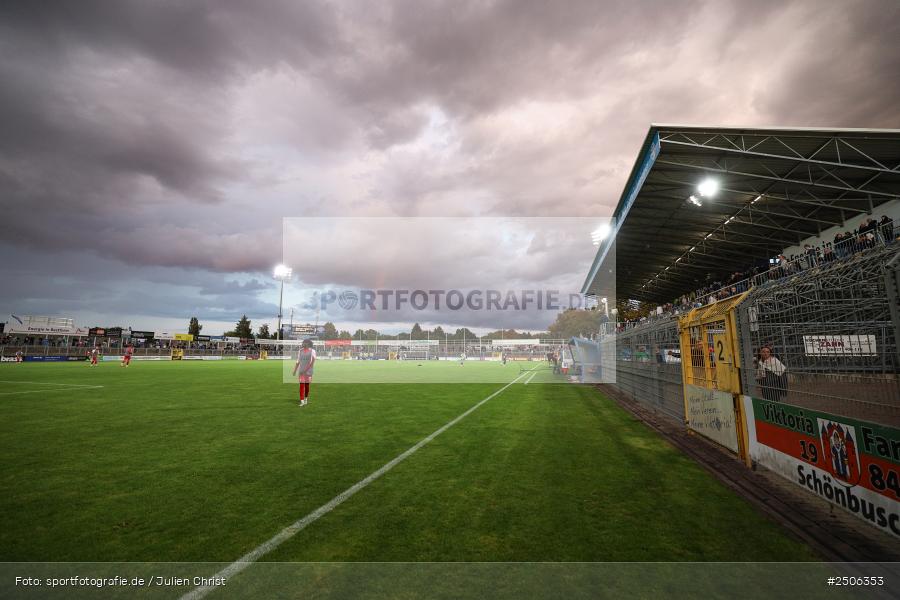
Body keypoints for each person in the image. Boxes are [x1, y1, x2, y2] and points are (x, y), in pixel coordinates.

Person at [292, 338, 316, 407]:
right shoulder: (300, 351)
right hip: (301, 371)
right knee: (302, 385)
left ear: (308, 344)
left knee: (307, 386)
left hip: (309, 372)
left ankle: (306, 398)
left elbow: (312, 362)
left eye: (304, 343)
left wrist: (306, 370)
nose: (303, 344)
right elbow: (298, 361)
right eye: (303, 343)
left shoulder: (313, 351)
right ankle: (302, 401)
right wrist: (295, 370)